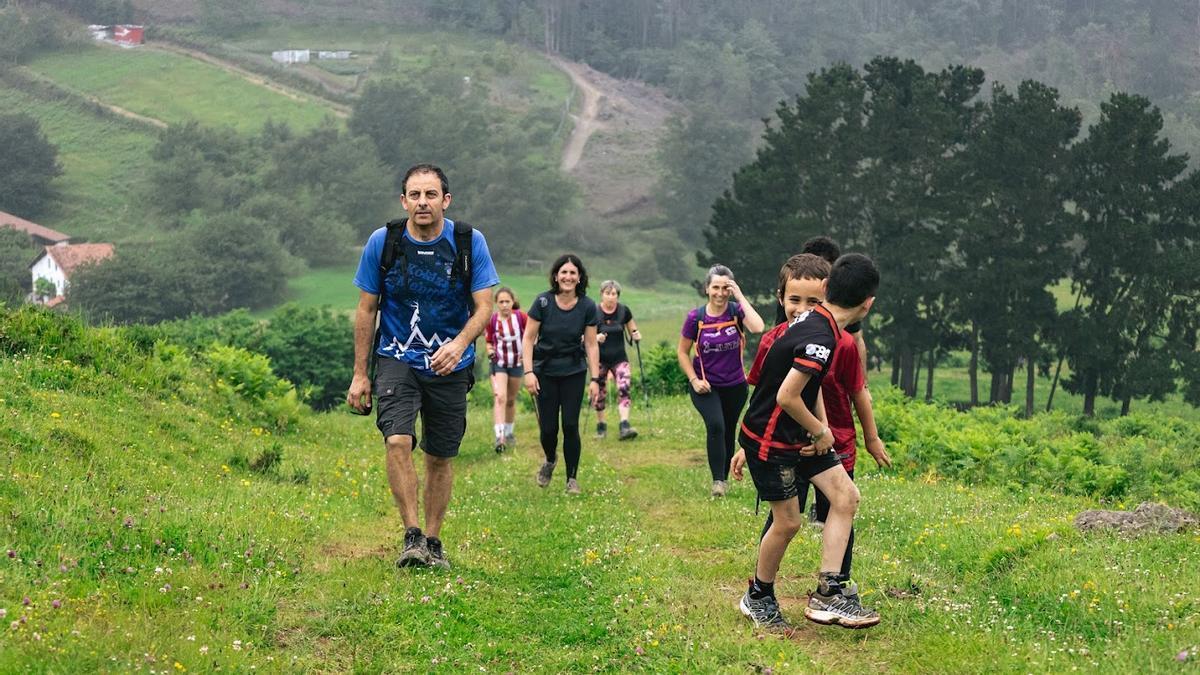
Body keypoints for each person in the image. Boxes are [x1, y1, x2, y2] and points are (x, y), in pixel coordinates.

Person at [346, 163, 499, 571]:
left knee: (440, 456)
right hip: (397, 356)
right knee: (397, 441)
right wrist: (361, 373)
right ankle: (411, 535)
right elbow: (366, 309)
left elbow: (485, 306)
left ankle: (433, 541)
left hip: (452, 364)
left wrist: (460, 343)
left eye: (431, 195)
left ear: (445, 201)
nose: (422, 202)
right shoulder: (385, 242)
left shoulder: (469, 242)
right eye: (415, 195)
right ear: (403, 201)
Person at [731, 253, 882, 631]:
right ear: (869, 304)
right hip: (771, 440)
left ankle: (830, 593)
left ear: (827, 290)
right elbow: (786, 396)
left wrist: (821, 431)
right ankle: (758, 596)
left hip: (803, 436)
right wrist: (820, 430)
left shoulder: (823, 327)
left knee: (845, 497)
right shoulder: (820, 335)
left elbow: (809, 387)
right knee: (788, 522)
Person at [677, 265, 765, 497]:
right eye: (715, 287)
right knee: (716, 425)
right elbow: (682, 352)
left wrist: (739, 295)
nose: (720, 292)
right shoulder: (696, 318)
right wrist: (694, 380)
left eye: (725, 287)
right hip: (706, 385)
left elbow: (758, 327)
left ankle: (723, 477)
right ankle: (718, 482)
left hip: (736, 385)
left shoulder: (736, 311)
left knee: (727, 430)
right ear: (707, 288)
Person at [522, 254, 601, 495]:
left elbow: (591, 344)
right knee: (548, 429)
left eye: (573, 273)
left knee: (569, 424)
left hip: (573, 370)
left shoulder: (587, 306)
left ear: (579, 278)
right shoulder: (543, 302)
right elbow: (528, 338)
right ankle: (549, 459)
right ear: (556, 276)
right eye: (563, 272)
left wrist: (595, 379)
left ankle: (572, 479)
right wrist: (528, 372)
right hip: (544, 371)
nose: (568, 277)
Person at [593, 280, 641, 441]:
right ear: (601, 294)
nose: (611, 297)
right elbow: (586, 337)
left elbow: (633, 329)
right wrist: (595, 337)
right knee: (599, 393)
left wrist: (636, 335)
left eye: (614, 294)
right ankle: (601, 425)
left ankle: (624, 425)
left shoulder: (623, 311)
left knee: (624, 387)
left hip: (620, 358)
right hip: (599, 359)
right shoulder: (594, 312)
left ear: (618, 296)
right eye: (608, 293)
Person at [485, 287, 527, 454]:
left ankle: (509, 432)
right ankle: (499, 436)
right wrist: (489, 350)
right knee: (500, 397)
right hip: (499, 363)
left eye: (507, 301)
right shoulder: (493, 320)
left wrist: (528, 354)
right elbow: (488, 341)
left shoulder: (521, 317)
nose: (504, 305)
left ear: (512, 302)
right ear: (497, 304)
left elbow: (531, 335)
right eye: (501, 302)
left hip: (517, 363)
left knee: (510, 400)